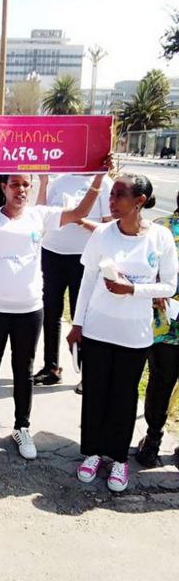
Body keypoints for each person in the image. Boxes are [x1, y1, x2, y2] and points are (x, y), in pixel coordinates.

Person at [0, 152, 107, 460]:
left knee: (23, 371)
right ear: (3, 187)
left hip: (29, 311)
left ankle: (21, 427)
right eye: (14, 184)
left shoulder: (40, 216)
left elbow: (79, 212)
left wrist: (99, 177)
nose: (21, 190)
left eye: (25, 184)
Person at [69, 175, 177, 492]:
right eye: (112, 194)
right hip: (98, 329)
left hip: (135, 334)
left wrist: (132, 289)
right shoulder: (102, 233)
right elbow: (87, 281)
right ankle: (92, 453)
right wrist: (77, 324)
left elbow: (169, 286)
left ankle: (118, 458)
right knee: (95, 394)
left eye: (119, 195)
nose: (112, 201)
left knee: (124, 398)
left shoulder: (159, 237)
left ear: (139, 201)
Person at [33, 174, 112, 386]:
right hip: (52, 253)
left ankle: (88, 374)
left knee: (83, 316)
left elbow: (110, 229)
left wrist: (80, 221)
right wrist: (43, 183)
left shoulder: (103, 182)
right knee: (51, 312)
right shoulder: (60, 179)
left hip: (84, 259)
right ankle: (51, 367)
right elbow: (40, 214)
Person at [136, 191, 179, 468]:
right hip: (168, 321)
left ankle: (152, 443)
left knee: (161, 383)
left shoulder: (160, 228)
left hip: (166, 323)